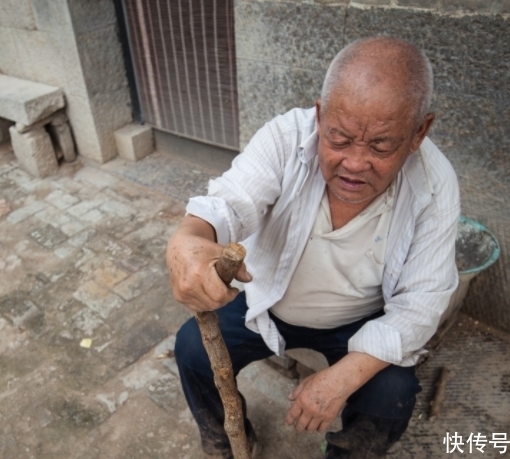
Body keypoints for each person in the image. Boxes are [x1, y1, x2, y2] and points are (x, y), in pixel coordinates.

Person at [166, 36, 461, 459]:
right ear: (321, 116)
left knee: (392, 396)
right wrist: (188, 239)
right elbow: (229, 202)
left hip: (358, 322)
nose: (356, 163)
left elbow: (423, 303)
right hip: (265, 300)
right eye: (339, 139)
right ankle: (226, 441)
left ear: (419, 133)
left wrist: (342, 379)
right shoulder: (286, 137)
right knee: (193, 348)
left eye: (380, 145)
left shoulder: (435, 185)